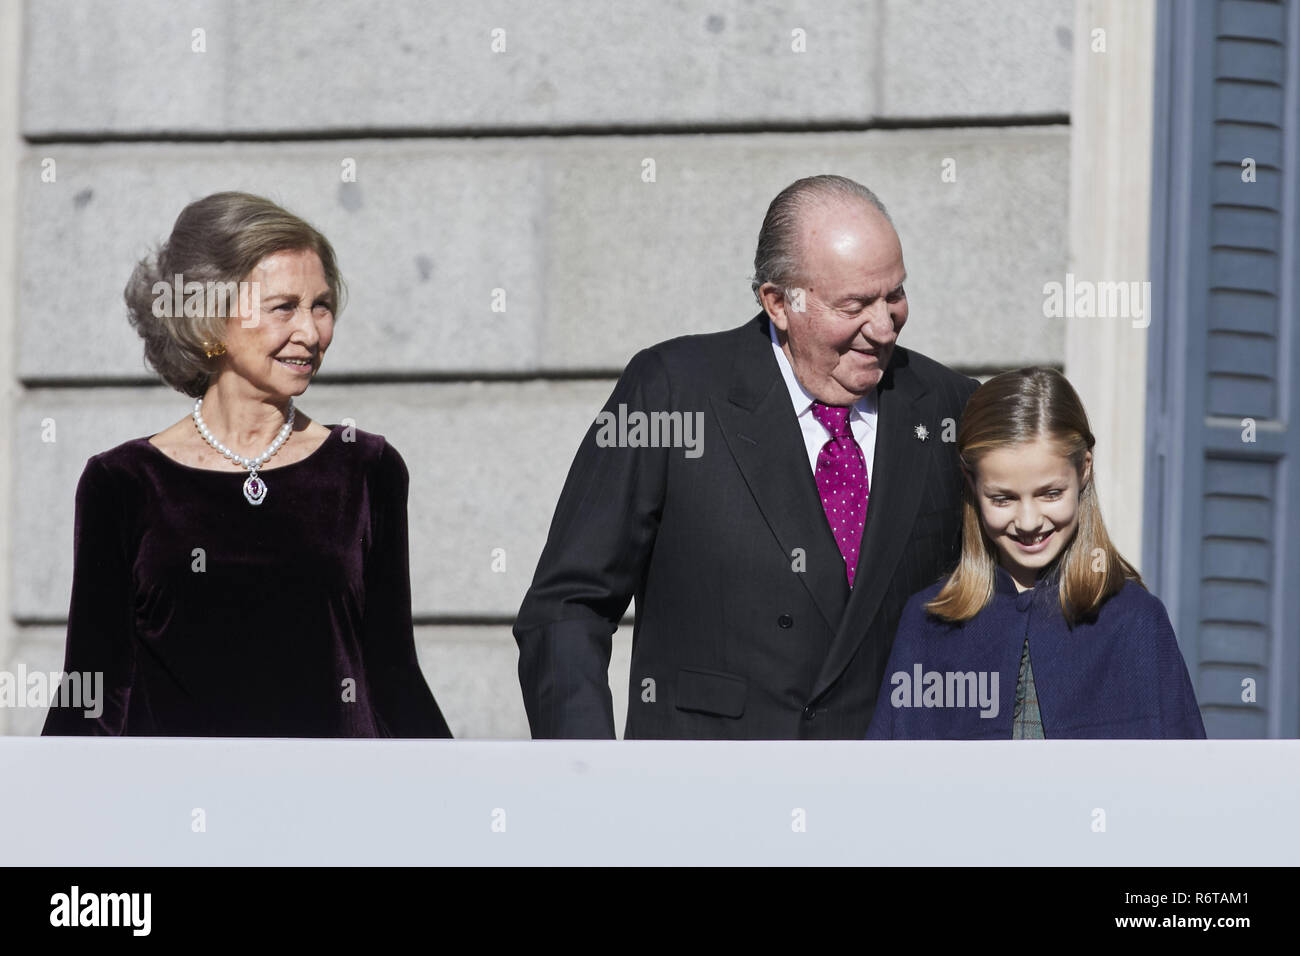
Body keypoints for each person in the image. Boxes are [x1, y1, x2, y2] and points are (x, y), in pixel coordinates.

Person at [514, 175, 979, 738]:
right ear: (779, 302)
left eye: (895, 294)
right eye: (854, 304)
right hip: (705, 793)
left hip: (882, 798)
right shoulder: (673, 392)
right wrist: (584, 774)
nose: (883, 328)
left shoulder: (953, 407)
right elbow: (568, 606)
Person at [42, 191, 452, 738]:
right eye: (284, 306)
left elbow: (393, 672)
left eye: (322, 306)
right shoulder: (122, 483)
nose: (311, 332)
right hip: (169, 811)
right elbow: (91, 687)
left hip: (333, 809)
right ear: (210, 317)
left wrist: (456, 803)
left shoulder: (367, 468)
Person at [866, 367, 1206, 739]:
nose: (1028, 522)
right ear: (971, 484)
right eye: (1003, 498)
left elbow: (1181, 785)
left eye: (1050, 494)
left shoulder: (1136, 622)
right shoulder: (928, 626)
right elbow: (893, 784)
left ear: (1084, 470)